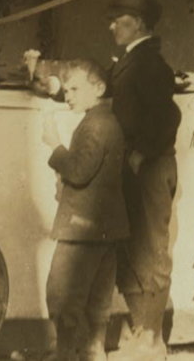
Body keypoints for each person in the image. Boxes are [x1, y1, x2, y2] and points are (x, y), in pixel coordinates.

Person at [106, 0, 181, 361]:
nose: (111, 26)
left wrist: (141, 153)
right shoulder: (134, 58)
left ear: (136, 23)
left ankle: (152, 339)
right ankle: (142, 331)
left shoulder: (150, 64)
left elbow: (170, 117)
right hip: (137, 167)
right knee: (135, 248)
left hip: (150, 168)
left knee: (151, 250)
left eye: (117, 19)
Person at [42, 60, 130, 361]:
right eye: (66, 90)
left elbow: (79, 171)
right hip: (107, 227)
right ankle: (95, 351)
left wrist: (54, 145)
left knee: (61, 293)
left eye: (75, 89)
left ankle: (67, 354)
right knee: (98, 296)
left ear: (99, 88)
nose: (68, 95)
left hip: (82, 227)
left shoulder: (94, 125)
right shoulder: (106, 120)